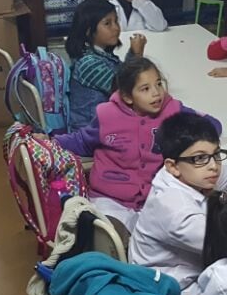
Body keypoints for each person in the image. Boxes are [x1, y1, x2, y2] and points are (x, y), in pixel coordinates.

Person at [51, 57, 218, 232]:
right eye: (145, 89)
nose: (156, 93)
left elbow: (211, 125)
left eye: (159, 84)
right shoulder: (107, 115)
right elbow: (82, 141)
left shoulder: (173, 110)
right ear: (127, 97)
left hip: (153, 197)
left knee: (176, 231)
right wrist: (51, 141)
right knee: (110, 233)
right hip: (109, 197)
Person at [128, 112, 227, 295]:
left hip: (185, 275)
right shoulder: (173, 208)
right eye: (200, 158)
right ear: (172, 166)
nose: (213, 166)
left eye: (216, 154)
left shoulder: (190, 173)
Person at [65, 0, 146, 130]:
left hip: (103, 124)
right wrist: (137, 56)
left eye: (116, 21)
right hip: (91, 132)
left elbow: (122, 74)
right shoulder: (89, 64)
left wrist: (133, 52)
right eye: (107, 23)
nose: (116, 28)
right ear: (88, 30)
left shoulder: (99, 53)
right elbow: (125, 90)